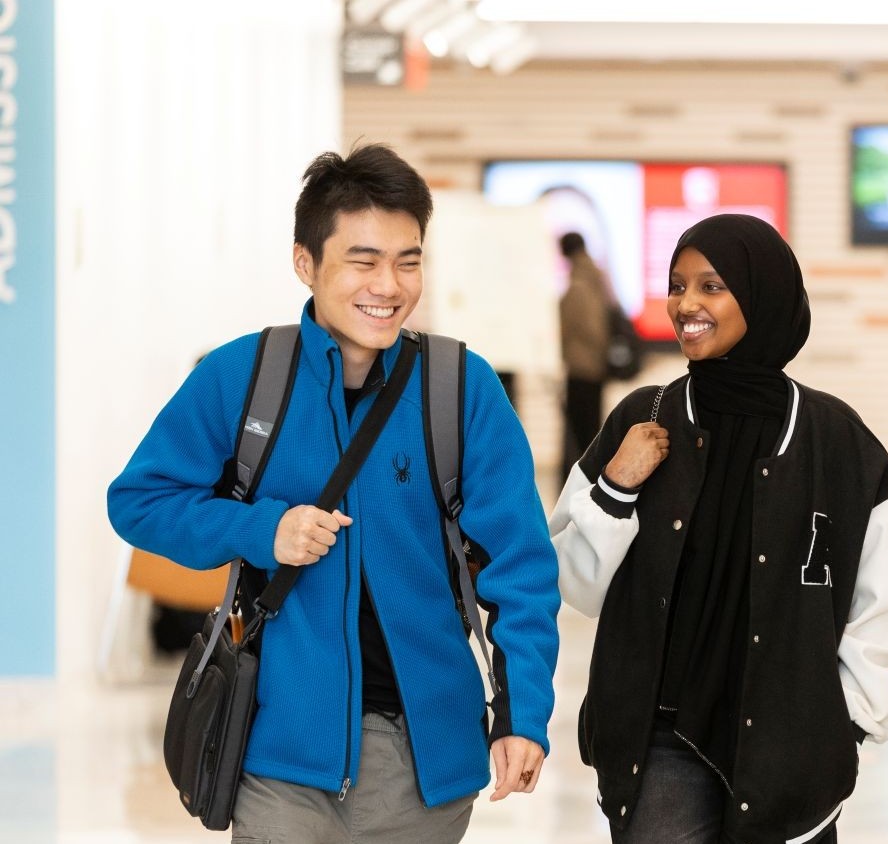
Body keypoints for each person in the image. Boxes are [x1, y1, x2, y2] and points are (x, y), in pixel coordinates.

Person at [108, 144, 560, 842]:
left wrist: (523, 714)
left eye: (408, 260)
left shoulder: (461, 391)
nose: (389, 284)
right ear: (305, 263)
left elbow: (523, 569)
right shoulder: (241, 377)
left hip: (424, 764)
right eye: (363, 260)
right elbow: (139, 500)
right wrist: (263, 530)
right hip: (279, 754)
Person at [551, 213, 888, 844]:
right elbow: (574, 584)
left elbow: (882, 609)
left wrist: (839, 728)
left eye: (711, 286)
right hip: (663, 745)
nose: (685, 305)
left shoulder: (839, 444)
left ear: (763, 296)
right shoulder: (641, 420)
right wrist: (616, 486)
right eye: (677, 285)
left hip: (790, 751)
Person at [559, 230, 617, 473]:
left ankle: (583, 481)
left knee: (581, 433)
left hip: (583, 368)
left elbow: (593, 329)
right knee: (590, 429)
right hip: (595, 367)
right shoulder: (597, 277)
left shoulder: (581, 283)